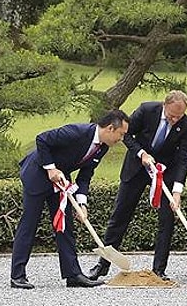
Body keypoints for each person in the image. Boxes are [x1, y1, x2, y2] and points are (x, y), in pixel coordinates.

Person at [10, 110, 130, 289]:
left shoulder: (102, 147)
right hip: (37, 174)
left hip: (61, 181)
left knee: (65, 225)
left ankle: (73, 275)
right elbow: (42, 139)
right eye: (121, 134)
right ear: (110, 128)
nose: (121, 139)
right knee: (29, 223)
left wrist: (82, 203)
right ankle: (17, 275)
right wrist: (50, 168)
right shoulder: (76, 132)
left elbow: (85, 175)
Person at [87, 91, 187, 281]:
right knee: (120, 216)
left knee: (167, 221)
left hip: (164, 173)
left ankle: (159, 270)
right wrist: (141, 153)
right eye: (171, 116)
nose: (175, 120)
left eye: (179, 116)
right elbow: (127, 135)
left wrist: (177, 191)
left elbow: (183, 158)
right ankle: (103, 265)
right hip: (137, 168)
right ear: (164, 105)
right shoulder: (146, 110)